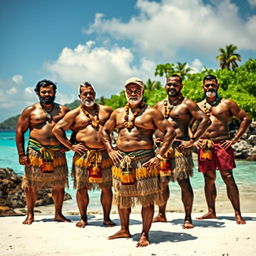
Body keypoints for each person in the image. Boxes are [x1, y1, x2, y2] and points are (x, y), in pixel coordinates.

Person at [101, 77, 176, 247]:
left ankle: (144, 233)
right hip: (122, 161)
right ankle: (124, 229)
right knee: (122, 197)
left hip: (145, 161)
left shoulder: (152, 113)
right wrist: (110, 150)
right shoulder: (118, 113)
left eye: (137, 90)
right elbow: (104, 131)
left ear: (143, 92)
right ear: (125, 92)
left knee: (147, 198)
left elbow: (170, 132)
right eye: (130, 90)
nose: (133, 93)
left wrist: (159, 156)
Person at [53, 82, 115, 228]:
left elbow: (120, 125)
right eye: (85, 94)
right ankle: (83, 218)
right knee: (82, 188)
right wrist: (71, 146)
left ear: (95, 94)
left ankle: (106, 218)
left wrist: (118, 145)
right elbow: (57, 129)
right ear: (79, 96)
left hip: (104, 155)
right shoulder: (74, 114)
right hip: (83, 155)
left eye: (91, 93)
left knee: (106, 187)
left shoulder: (106, 111)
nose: (88, 96)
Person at [153, 74, 210, 228]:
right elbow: (150, 123)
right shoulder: (158, 105)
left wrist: (192, 140)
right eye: (169, 84)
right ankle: (161, 214)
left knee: (183, 182)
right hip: (161, 149)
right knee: (162, 183)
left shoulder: (188, 104)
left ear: (181, 86)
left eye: (175, 84)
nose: (172, 87)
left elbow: (205, 120)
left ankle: (187, 218)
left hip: (180, 148)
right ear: (165, 86)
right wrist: (152, 138)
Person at [196, 74, 251, 224]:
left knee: (228, 177)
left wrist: (234, 139)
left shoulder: (227, 104)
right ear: (203, 87)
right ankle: (211, 211)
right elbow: (188, 125)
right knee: (209, 179)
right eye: (207, 85)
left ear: (217, 86)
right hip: (205, 145)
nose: (210, 88)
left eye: (212, 85)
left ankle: (238, 213)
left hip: (222, 144)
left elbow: (246, 119)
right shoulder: (198, 106)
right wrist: (194, 141)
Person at [16, 79, 70, 225]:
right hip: (35, 152)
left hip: (57, 153)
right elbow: (20, 132)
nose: (47, 94)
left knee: (59, 184)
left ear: (54, 92)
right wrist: (21, 154)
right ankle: (30, 214)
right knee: (31, 184)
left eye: (49, 91)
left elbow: (77, 126)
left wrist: (72, 144)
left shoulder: (64, 110)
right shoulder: (30, 111)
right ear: (38, 93)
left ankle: (58, 214)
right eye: (43, 92)